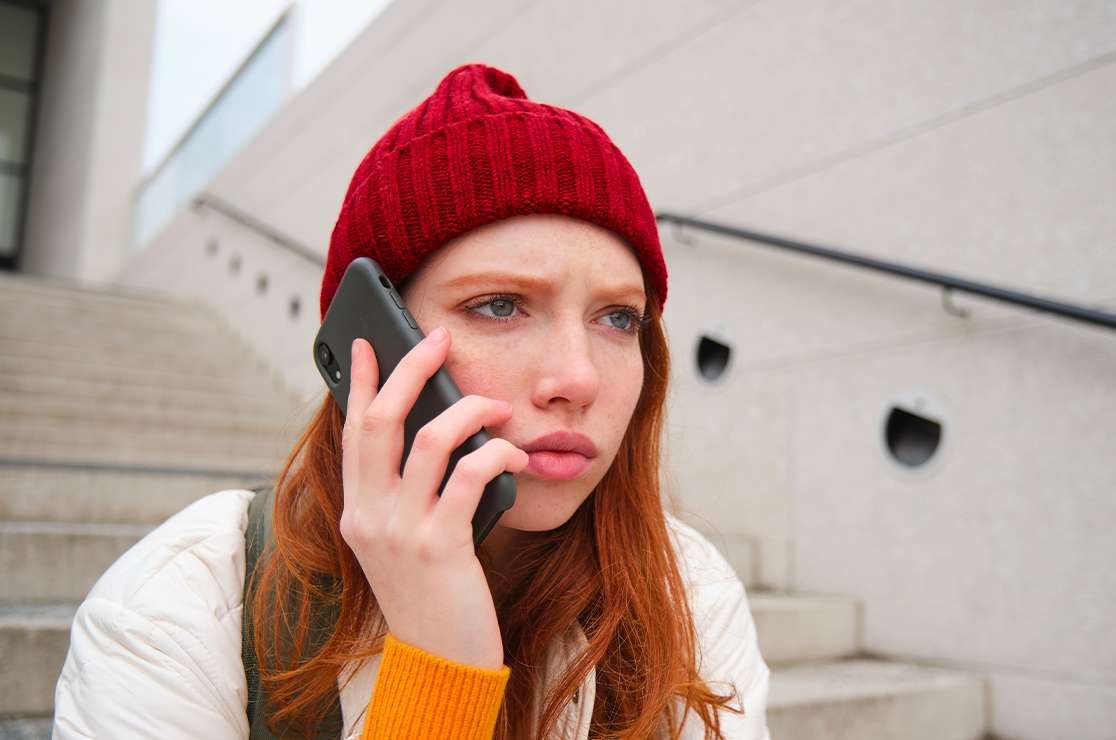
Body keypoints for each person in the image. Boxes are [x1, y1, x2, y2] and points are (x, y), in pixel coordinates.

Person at [52, 63, 770, 739]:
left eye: (618, 318)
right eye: (499, 305)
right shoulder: (183, 603)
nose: (578, 379)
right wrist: (440, 671)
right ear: (371, 340)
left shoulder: (690, 590)